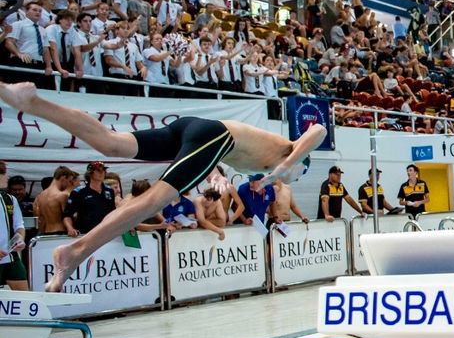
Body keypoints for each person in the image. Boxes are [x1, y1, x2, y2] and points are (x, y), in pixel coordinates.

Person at [0, 81, 325, 292]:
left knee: (112, 144)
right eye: (293, 174)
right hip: (214, 135)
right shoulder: (289, 149)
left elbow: (218, 154)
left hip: (197, 132)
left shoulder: (263, 163)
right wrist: (284, 164)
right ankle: (75, 252)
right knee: (153, 200)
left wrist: (214, 175)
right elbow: (319, 131)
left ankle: (32, 102)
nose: (286, 178)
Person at [0, 162, 29, 290]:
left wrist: (20, 239)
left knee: (24, 296)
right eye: (4, 174)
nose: (7, 177)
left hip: (11, 256)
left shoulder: (10, 199)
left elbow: (19, 225)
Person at [33, 166, 77, 234]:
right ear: (64, 177)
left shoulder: (40, 196)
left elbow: (39, 217)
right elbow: (68, 216)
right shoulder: (62, 196)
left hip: (46, 233)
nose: (69, 184)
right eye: (69, 181)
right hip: (60, 232)